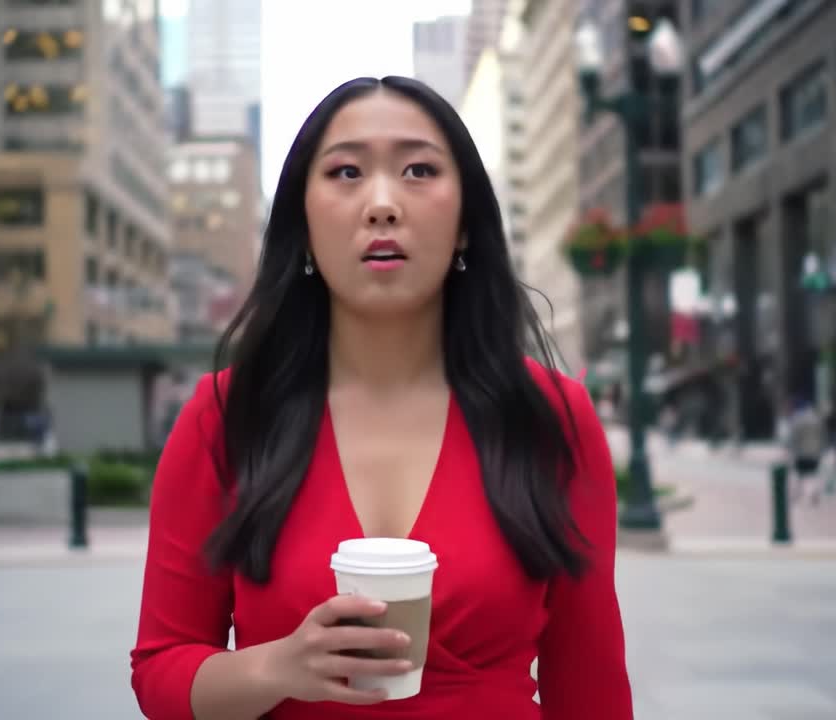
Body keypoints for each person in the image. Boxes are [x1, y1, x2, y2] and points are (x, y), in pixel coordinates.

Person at [129, 76, 632, 720]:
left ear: (466, 225)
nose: (383, 203)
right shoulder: (226, 417)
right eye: (345, 172)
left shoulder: (551, 417)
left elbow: (591, 687)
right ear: (303, 225)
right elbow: (161, 672)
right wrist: (278, 668)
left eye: (419, 169)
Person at [786, 399, 826, 505]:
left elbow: (794, 437)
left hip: (801, 453)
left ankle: (797, 494)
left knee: (800, 475)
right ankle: (815, 493)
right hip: (814, 452)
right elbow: (822, 436)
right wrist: (821, 449)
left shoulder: (798, 420)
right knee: (814, 474)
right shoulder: (817, 420)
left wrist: (791, 450)